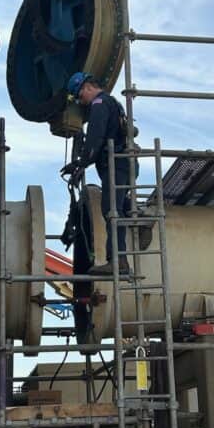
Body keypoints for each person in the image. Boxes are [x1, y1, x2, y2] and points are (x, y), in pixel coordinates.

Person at [61, 72, 135, 275]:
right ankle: (139, 216)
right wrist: (80, 163)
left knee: (110, 208)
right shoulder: (112, 103)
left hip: (117, 164)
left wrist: (80, 164)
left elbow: (94, 142)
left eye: (79, 96)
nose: (80, 101)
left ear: (87, 87)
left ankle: (118, 261)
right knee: (118, 203)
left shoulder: (99, 104)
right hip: (124, 164)